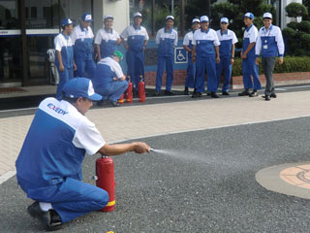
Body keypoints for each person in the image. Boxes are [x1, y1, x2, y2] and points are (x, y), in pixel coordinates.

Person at [15, 77, 150, 231]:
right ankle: (49, 210)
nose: (91, 104)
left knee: (73, 155)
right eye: (90, 100)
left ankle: (50, 198)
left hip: (24, 175)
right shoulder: (80, 123)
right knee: (101, 198)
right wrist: (134, 146)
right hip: (45, 184)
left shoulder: (47, 103)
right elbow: (105, 150)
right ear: (79, 100)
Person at [255, 12, 284, 101]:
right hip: (264, 54)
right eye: (265, 20)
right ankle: (272, 91)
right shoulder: (261, 30)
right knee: (267, 74)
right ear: (263, 21)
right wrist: (257, 55)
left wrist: (281, 55)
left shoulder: (276, 29)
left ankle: (267, 93)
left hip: (271, 55)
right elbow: (258, 43)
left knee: (269, 73)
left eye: (268, 20)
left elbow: (280, 42)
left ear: (271, 21)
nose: (267, 22)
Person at [192, 15, 220, 98]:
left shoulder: (213, 32)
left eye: (206, 22)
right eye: (203, 22)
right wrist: (193, 55)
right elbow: (194, 45)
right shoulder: (196, 33)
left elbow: (216, 45)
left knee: (212, 73)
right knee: (199, 73)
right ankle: (198, 91)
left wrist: (217, 56)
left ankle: (212, 91)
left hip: (210, 56)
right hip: (200, 56)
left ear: (208, 23)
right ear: (200, 23)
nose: (204, 24)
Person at [120, 12, 149, 92]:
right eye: (136, 18)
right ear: (133, 20)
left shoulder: (143, 29)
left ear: (141, 20)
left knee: (140, 69)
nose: (137, 20)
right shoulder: (128, 29)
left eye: (139, 18)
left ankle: (140, 87)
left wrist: (144, 46)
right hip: (131, 53)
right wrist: (125, 45)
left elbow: (146, 39)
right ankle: (130, 87)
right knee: (131, 69)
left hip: (140, 53)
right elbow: (121, 36)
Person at [154, 15, 178, 96]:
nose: (169, 23)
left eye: (171, 21)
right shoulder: (160, 31)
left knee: (170, 72)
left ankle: (168, 89)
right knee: (160, 72)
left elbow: (175, 44)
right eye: (168, 21)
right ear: (166, 22)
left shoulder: (175, 33)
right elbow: (157, 42)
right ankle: (157, 89)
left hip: (170, 55)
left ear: (173, 23)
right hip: (161, 54)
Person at [239, 12, 261, 97]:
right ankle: (247, 88)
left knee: (253, 71)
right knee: (245, 71)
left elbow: (252, 43)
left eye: (247, 19)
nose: (245, 20)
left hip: (251, 53)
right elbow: (245, 42)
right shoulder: (246, 30)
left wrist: (245, 53)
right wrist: (242, 51)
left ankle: (255, 90)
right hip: (246, 53)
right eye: (244, 18)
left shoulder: (254, 29)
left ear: (251, 20)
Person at [54, 18, 77, 100]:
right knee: (64, 81)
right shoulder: (59, 38)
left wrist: (73, 63)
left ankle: (67, 97)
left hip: (70, 63)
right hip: (63, 63)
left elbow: (71, 52)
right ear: (66, 27)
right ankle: (59, 98)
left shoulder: (70, 38)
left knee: (70, 81)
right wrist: (61, 64)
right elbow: (58, 52)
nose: (72, 28)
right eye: (71, 26)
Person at [216, 17, 238, 95]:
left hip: (228, 57)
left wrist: (232, 57)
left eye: (225, 24)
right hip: (220, 57)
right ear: (220, 24)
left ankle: (225, 89)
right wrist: (217, 56)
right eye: (222, 23)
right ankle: (214, 89)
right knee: (217, 73)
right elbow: (216, 46)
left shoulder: (231, 33)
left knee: (228, 73)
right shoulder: (216, 33)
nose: (223, 25)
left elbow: (233, 46)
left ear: (228, 24)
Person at [71, 13, 96, 79]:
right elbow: (72, 45)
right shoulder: (75, 30)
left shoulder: (89, 29)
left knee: (93, 70)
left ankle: (90, 87)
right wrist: (73, 60)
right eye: (87, 21)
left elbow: (92, 40)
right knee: (80, 73)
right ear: (81, 21)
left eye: (89, 22)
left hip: (89, 56)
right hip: (79, 57)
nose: (88, 23)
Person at [183, 18, 200, 95]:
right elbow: (185, 46)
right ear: (192, 26)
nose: (196, 25)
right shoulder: (188, 35)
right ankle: (186, 87)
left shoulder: (201, 34)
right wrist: (192, 51)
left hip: (200, 57)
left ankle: (196, 89)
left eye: (197, 24)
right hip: (191, 57)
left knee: (199, 73)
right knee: (191, 73)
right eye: (194, 24)